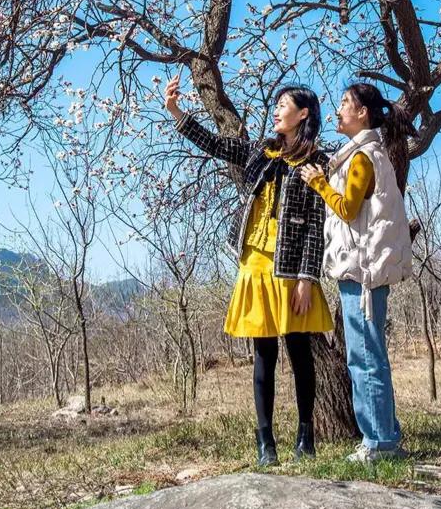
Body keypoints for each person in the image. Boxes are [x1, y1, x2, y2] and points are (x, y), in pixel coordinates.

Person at [164, 77, 333, 466]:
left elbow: (315, 226)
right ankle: (265, 442)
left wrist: (308, 278)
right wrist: (176, 112)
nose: (276, 110)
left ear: (303, 113)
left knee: (300, 351)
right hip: (254, 261)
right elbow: (218, 146)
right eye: (275, 105)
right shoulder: (263, 153)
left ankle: (305, 438)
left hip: (291, 269)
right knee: (264, 354)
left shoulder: (316, 164)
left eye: (284, 105)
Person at [300, 82, 414, 463]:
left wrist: (319, 184)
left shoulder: (363, 157)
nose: (337, 111)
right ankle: (383, 436)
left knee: (365, 356)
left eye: (344, 104)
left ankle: (380, 442)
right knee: (366, 354)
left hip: (362, 272)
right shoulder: (361, 154)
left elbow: (348, 209)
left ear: (362, 113)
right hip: (361, 269)